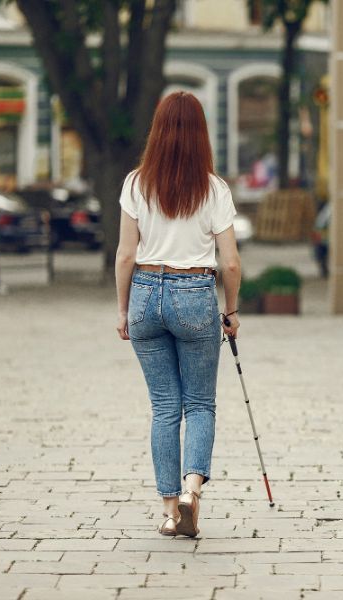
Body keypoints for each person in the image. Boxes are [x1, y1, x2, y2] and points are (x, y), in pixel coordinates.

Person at [114, 92, 242, 538]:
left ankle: (170, 512)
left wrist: (123, 310)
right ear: (201, 134)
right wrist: (231, 311)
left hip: (145, 293)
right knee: (200, 403)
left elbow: (125, 255)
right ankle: (192, 490)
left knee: (164, 406)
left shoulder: (136, 184)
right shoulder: (214, 189)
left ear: (157, 131)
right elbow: (230, 263)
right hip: (193, 294)